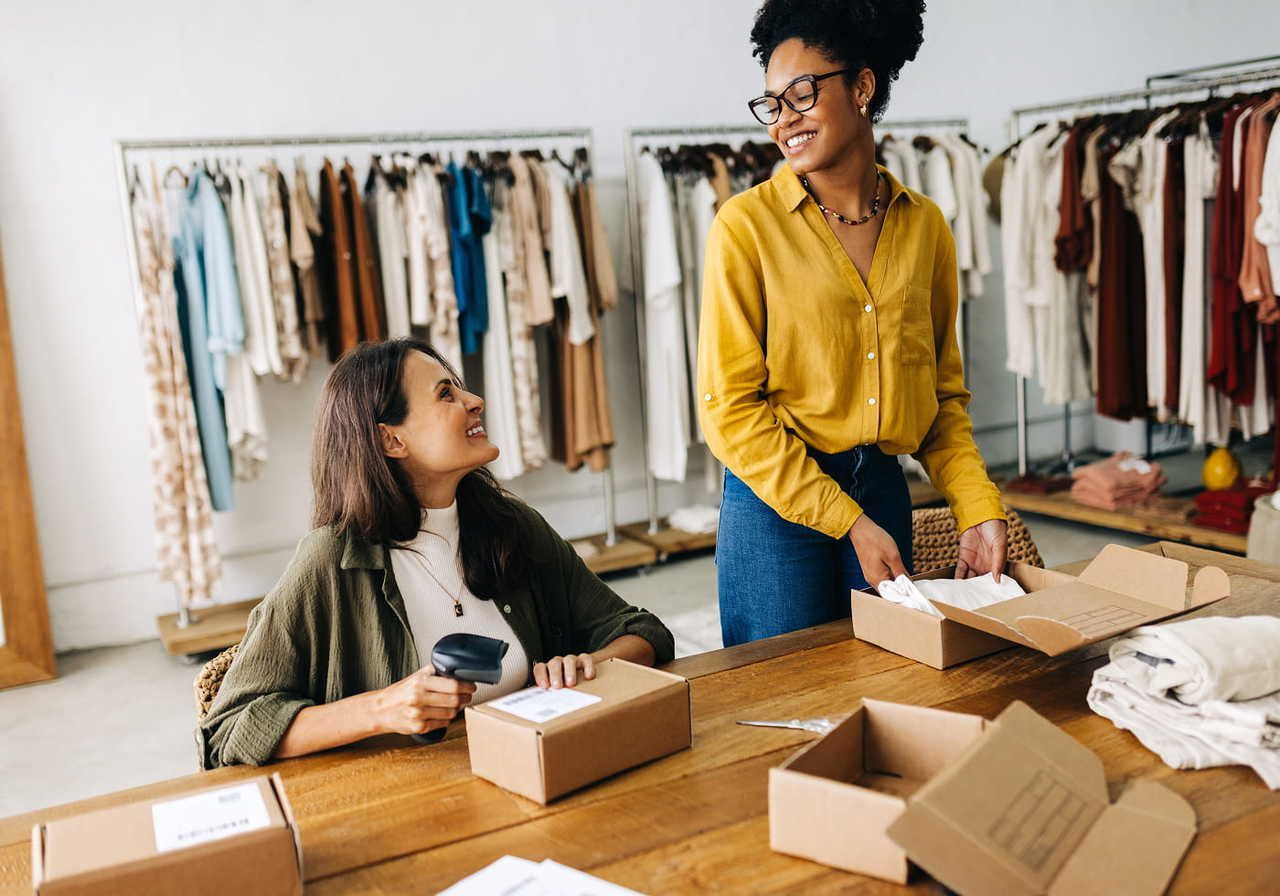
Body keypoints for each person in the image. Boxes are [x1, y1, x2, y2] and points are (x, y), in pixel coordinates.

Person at [198, 338, 673, 768]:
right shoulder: (331, 560)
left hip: (532, 778)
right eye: (446, 394)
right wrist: (384, 708)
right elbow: (228, 729)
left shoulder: (512, 527)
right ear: (392, 439)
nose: (475, 402)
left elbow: (642, 631)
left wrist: (591, 667)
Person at [698, 0, 1007, 647]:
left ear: (862, 86)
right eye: (772, 104)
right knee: (781, 701)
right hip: (775, 504)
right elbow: (729, 409)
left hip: (884, 488)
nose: (785, 121)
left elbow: (941, 400)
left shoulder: (925, 228)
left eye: (802, 95)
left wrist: (977, 507)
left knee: (888, 685)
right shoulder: (745, 228)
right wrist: (848, 521)